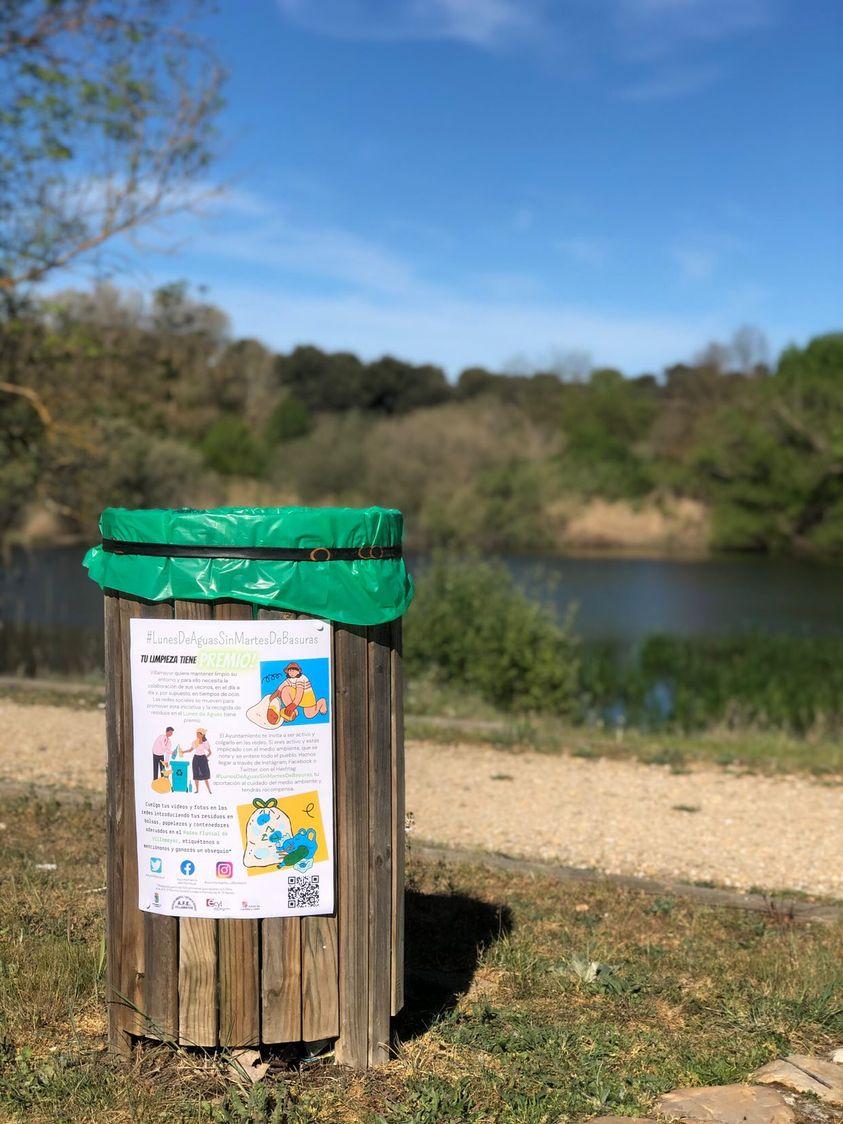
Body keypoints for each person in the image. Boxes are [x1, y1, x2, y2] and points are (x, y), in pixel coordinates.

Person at [189, 727, 212, 794]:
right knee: (196, 775)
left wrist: (206, 758)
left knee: (205, 776)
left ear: (202, 735)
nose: (197, 735)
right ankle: (197, 790)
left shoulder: (205, 743)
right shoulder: (195, 742)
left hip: (203, 759)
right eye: (196, 734)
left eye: (198, 734)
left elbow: (210, 752)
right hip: (196, 759)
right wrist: (183, 752)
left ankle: (209, 790)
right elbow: (190, 750)